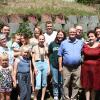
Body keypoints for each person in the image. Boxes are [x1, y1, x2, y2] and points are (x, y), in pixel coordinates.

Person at [58, 27, 84, 100]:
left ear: (76, 33)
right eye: (70, 32)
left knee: (76, 84)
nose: (72, 33)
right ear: (68, 33)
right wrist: (60, 66)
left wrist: (81, 59)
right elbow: (60, 55)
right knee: (65, 84)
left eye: (73, 32)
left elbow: (83, 53)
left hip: (77, 67)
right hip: (66, 67)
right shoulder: (64, 43)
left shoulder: (80, 42)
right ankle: (66, 98)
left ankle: (74, 98)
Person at [81, 30, 100, 100]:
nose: (90, 38)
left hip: (96, 69)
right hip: (86, 69)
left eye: (92, 36)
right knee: (87, 86)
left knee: (94, 87)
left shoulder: (99, 45)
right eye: (89, 36)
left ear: (96, 37)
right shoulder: (85, 45)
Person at [32, 35, 50, 100]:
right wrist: (35, 67)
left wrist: (48, 68)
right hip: (38, 64)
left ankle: (42, 98)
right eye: (40, 39)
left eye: (43, 39)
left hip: (45, 64)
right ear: (38, 40)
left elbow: (47, 58)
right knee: (38, 84)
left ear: (44, 40)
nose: (41, 40)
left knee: (44, 83)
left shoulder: (46, 47)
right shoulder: (34, 47)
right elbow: (33, 59)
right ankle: (35, 96)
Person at [48, 30, 65, 100]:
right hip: (54, 65)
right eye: (59, 34)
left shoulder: (65, 43)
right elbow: (49, 53)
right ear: (57, 35)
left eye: (61, 35)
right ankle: (56, 95)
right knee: (55, 81)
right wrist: (51, 62)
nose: (60, 36)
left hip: (63, 65)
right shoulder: (52, 44)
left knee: (61, 81)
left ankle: (62, 94)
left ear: (63, 36)